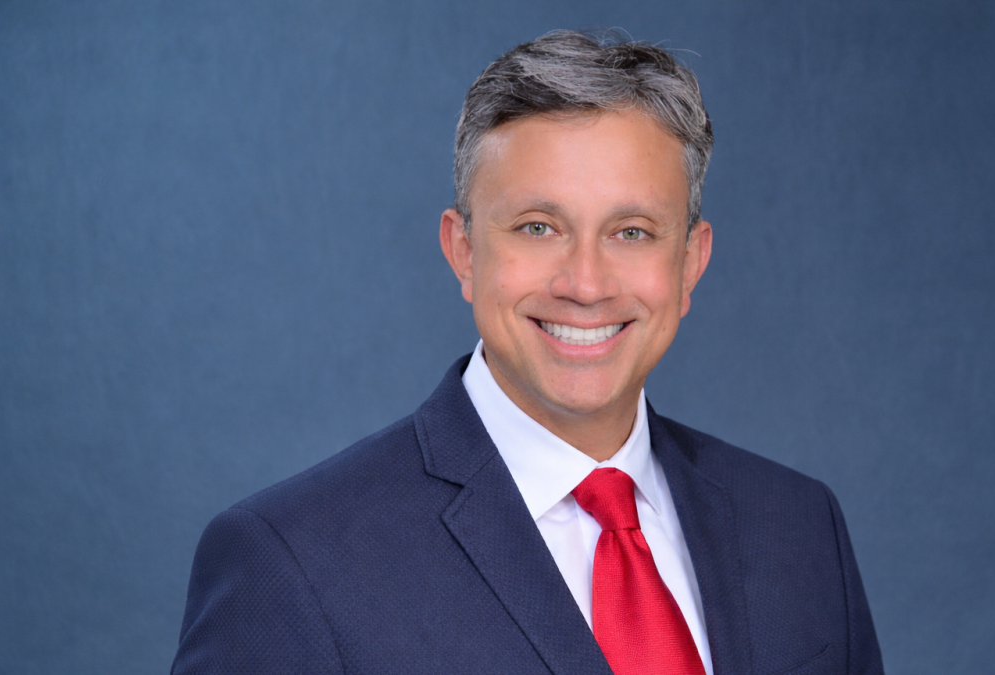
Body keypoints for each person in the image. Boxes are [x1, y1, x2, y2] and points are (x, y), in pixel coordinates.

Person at [172, 30, 883, 675]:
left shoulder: (798, 526)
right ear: (465, 251)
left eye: (632, 231)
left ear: (690, 263)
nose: (585, 283)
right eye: (539, 227)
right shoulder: (292, 564)